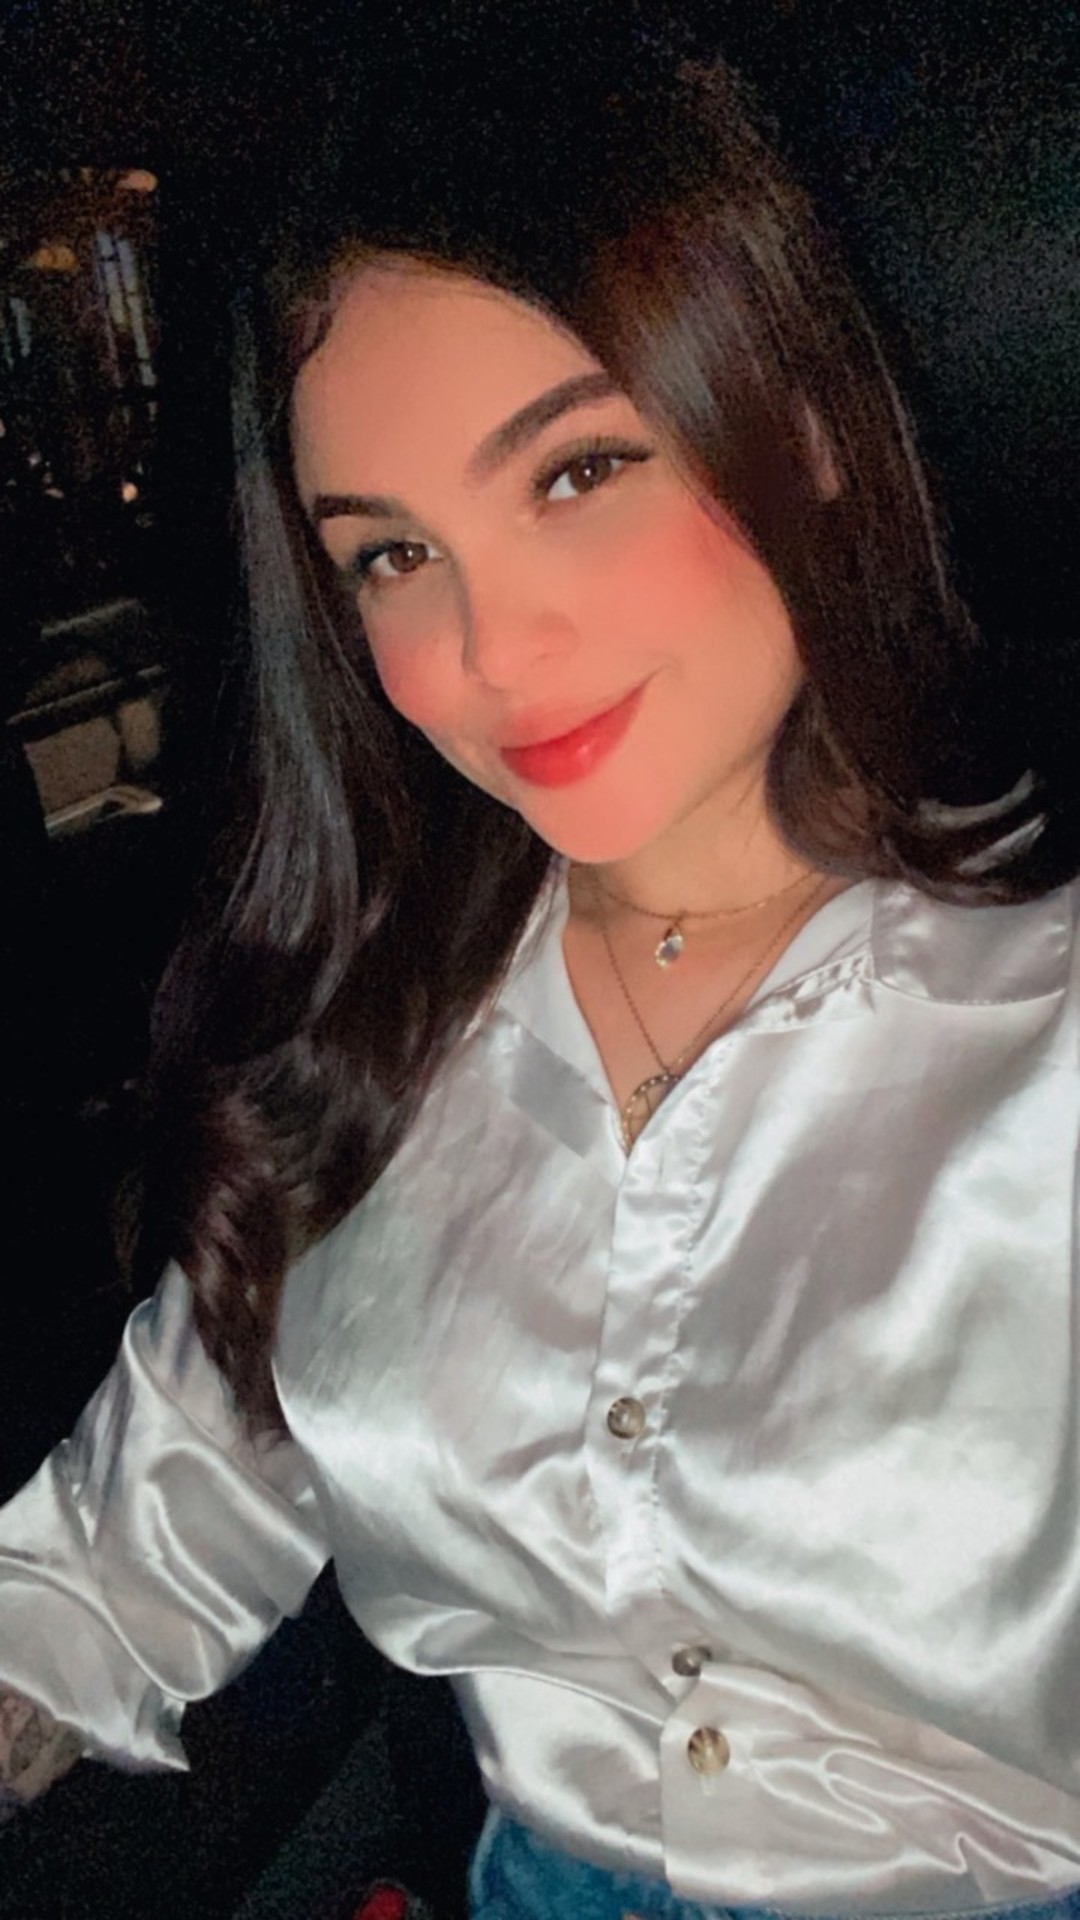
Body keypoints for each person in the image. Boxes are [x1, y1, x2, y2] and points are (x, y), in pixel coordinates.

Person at [2, 27, 1079, 1920]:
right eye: (390, 555)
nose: (489, 646)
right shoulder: (369, 1029)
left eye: (578, 473)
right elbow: (117, 1559)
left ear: (805, 426)